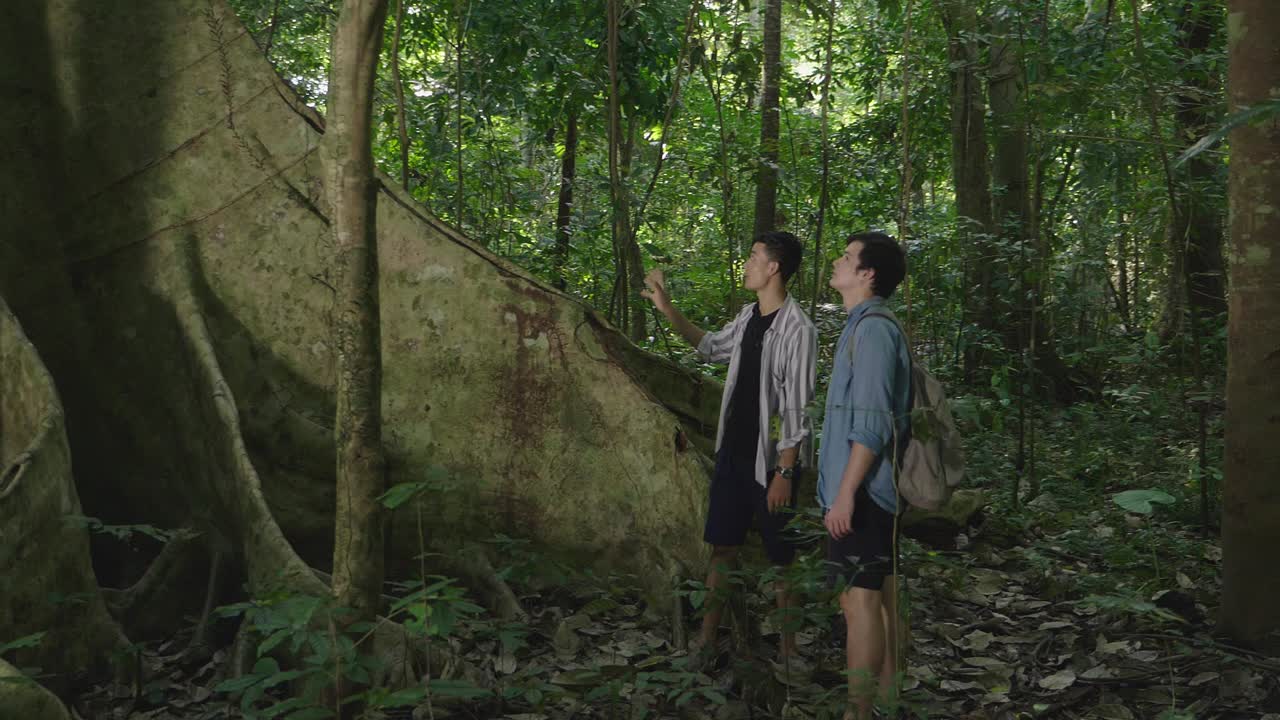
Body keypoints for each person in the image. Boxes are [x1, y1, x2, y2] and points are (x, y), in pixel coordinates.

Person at [641, 231, 817, 669]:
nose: (747, 263)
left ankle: (789, 652)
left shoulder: (799, 330)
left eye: (754, 257)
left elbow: (796, 409)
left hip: (771, 463)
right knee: (722, 548)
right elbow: (710, 347)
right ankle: (705, 641)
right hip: (733, 455)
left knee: (782, 559)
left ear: (774, 267)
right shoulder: (747, 316)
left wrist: (784, 472)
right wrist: (667, 309)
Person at [818, 231, 910, 719]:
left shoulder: (874, 331)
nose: (838, 261)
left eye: (847, 256)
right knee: (877, 601)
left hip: (865, 492)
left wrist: (846, 494)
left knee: (860, 604)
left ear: (867, 274)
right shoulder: (863, 326)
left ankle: (858, 711)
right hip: (865, 489)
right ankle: (887, 704)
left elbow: (872, 424)